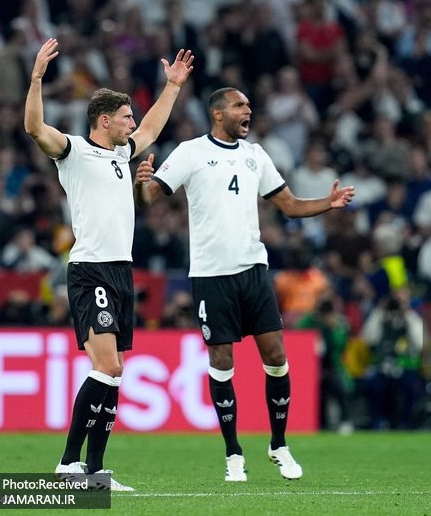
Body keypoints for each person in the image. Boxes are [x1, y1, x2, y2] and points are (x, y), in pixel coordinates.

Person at [133, 87, 355, 482]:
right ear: (218, 114)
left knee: (276, 355)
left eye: (249, 105)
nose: (248, 110)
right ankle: (233, 452)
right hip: (210, 275)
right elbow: (147, 200)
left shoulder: (256, 155)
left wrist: (328, 202)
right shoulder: (190, 152)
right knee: (222, 362)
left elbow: (289, 205)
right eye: (240, 105)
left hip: (253, 270)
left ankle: (279, 444)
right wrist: (140, 183)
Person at [24, 38, 194, 490]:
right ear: (105, 120)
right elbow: (34, 127)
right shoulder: (74, 151)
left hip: (121, 270)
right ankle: (67, 464)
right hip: (91, 269)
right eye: (125, 117)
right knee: (108, 368)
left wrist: (173, 87)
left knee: (116, 371)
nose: (132, 124)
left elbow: (152, 128)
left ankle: (95, 472)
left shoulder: (121, 154)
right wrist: (37, 77)